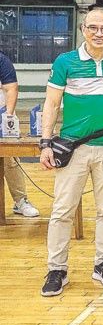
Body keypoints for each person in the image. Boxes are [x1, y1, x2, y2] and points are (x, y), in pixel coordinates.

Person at [39, 9, 103, 296]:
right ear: (83, 29)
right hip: (72, 148)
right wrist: (45, 142)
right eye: (93, 28)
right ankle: (57, 269)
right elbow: (51, 104)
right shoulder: (66, 62)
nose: (99, 33)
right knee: (62, 210)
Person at [0, 51, 39, 217]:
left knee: (10, 160)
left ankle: (20, 201)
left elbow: (11, 88)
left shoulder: (1, 60)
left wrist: (7, 117)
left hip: (1, 115)